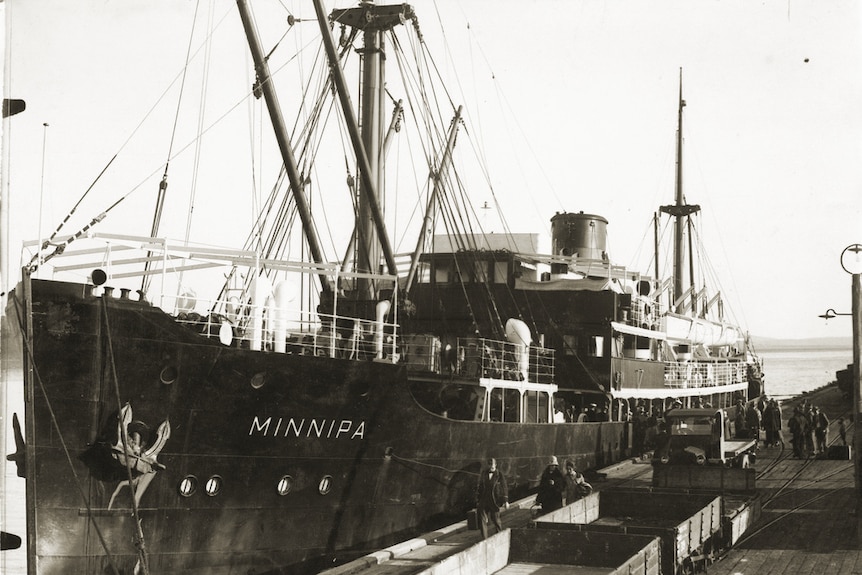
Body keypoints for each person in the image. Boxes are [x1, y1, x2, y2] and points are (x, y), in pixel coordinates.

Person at [475, 457, 509, 538]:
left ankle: (499, 535)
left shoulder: (499, 474)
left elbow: (504, 487)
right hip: (484, 500)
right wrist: (477, 500)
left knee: (495, 519)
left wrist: (505, 501)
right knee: (482, 520)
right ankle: (484, 538)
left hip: (494, 500)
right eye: (490, 465)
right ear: (488, 465)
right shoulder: (484, 473)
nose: (492, 467)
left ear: (496, 465)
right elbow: (480, 486)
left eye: (493, 465)